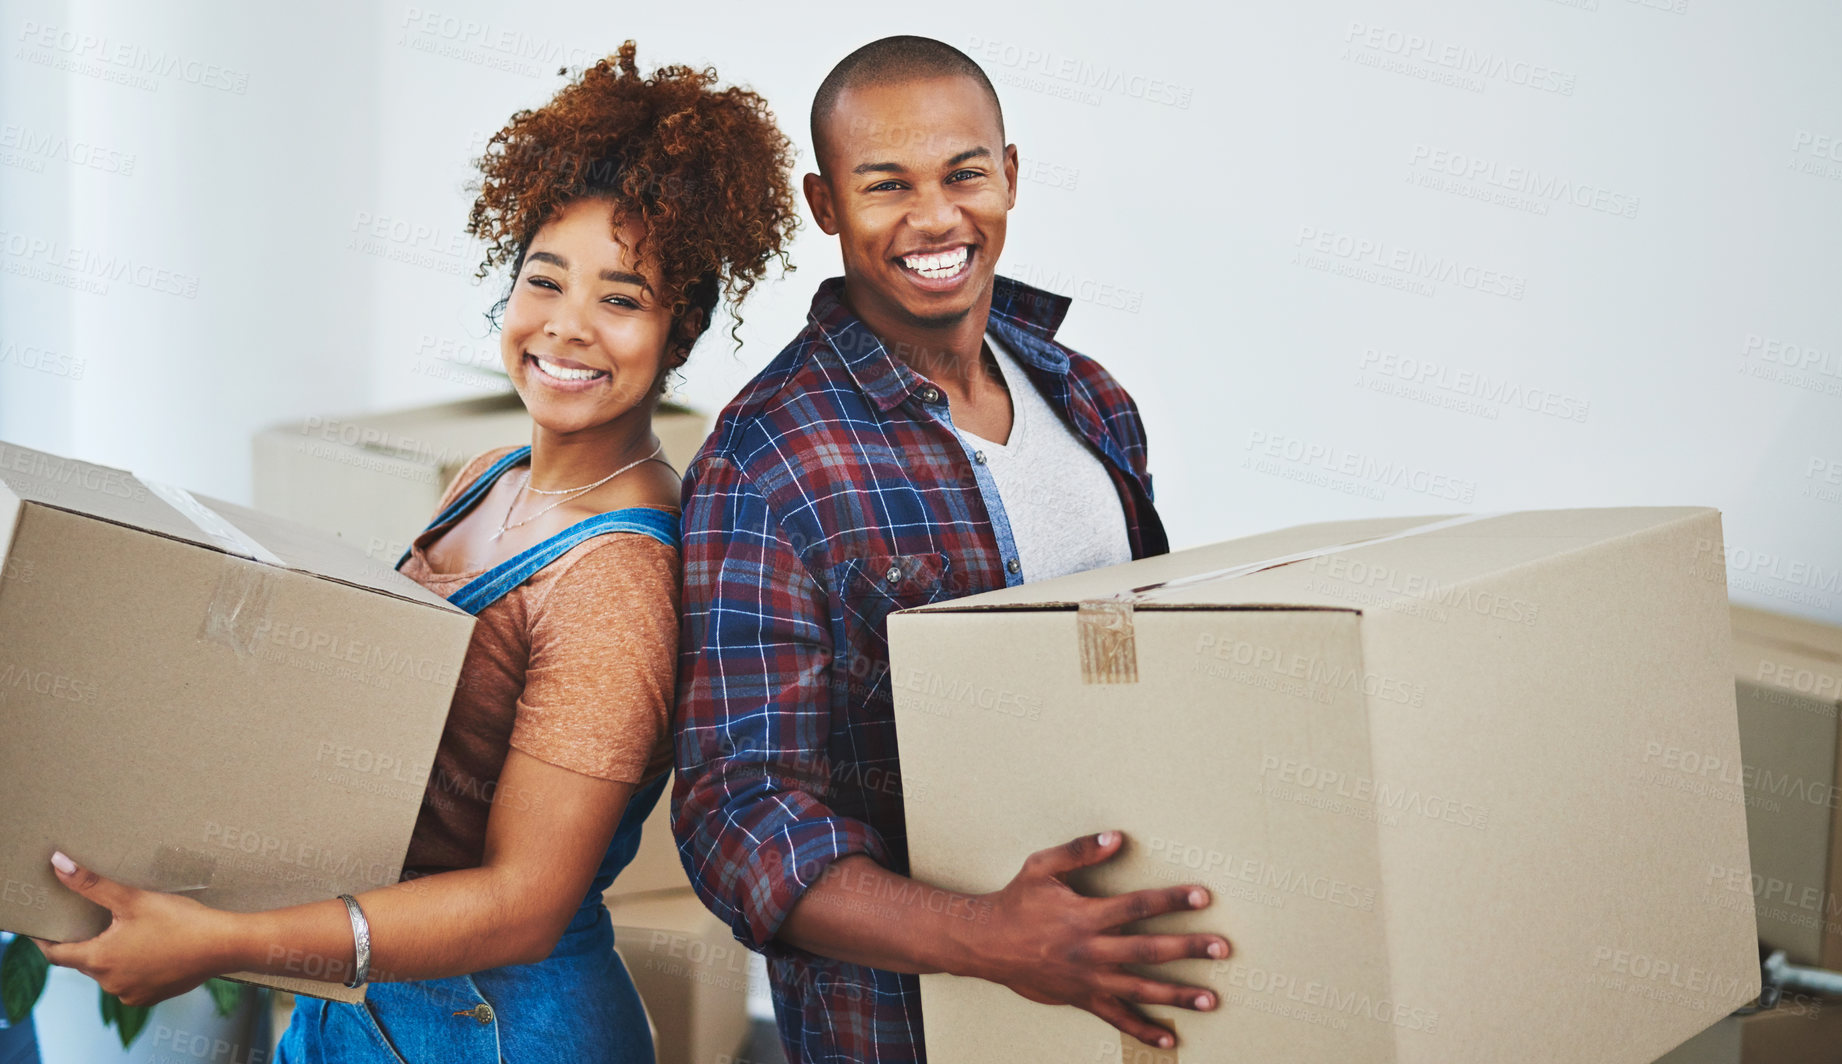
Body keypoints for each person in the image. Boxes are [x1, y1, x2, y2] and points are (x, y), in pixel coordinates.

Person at [33, 42, 797, 1063]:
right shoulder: (492, 471)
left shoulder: (617, 580)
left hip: (496, 1026)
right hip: (373, 1001)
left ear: (683, 328)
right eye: (544, 278)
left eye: (620, 298)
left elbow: (524, 903)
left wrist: (225, 940)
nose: (565, 329)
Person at [672, 34, 1227, 1064]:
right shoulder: (768, 460)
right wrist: (991, 937)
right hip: (903, 1031)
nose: (935, 218)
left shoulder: (1091, 398)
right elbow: (733, 814)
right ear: (825, 203)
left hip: (1124, 1000)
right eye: (885, 185)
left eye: (963, 173)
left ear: (1009, 174)